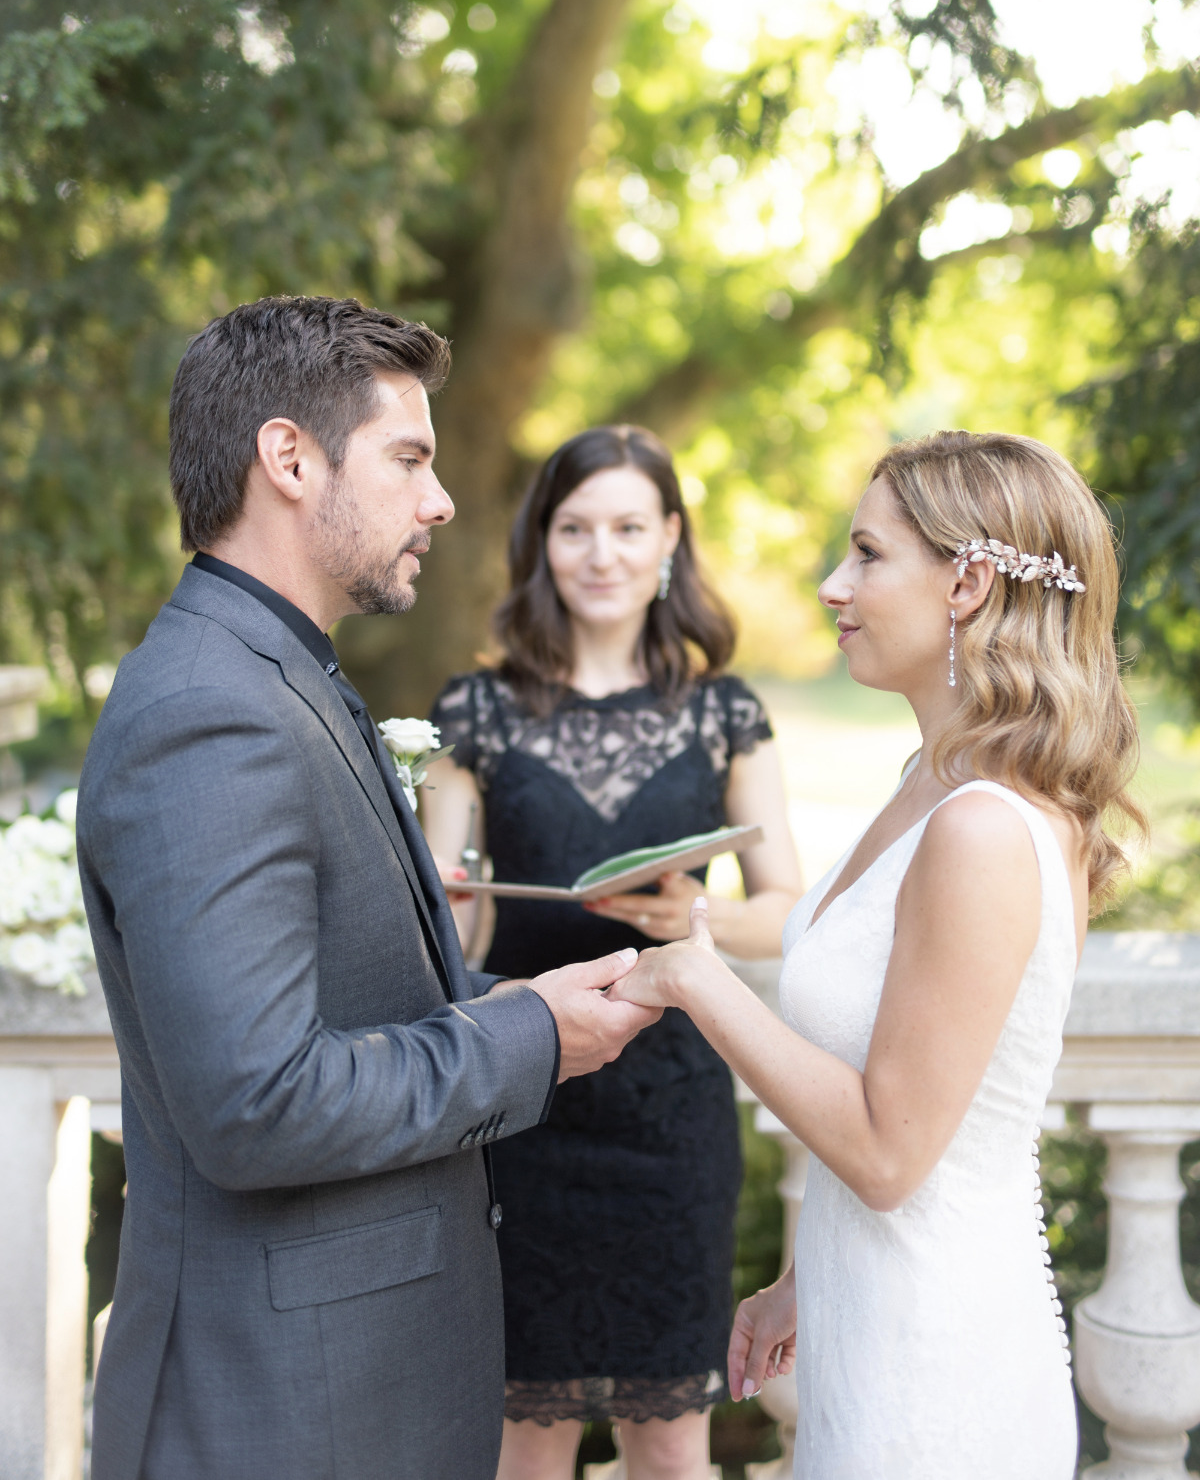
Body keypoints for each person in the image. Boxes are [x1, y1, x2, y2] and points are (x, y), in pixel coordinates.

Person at [76, 297, 660, 1480]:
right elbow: (259, 1100)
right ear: (288, 458)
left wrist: (535, 998)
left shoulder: (281, 672)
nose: (440, 502)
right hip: (281, 1412)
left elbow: (361, 1004)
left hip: (355, 1394)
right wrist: (529, 1039)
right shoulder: (211, 709)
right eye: (409, 459)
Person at [609, 429, 1145, 1480]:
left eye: (867, 553)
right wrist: (806, 1279)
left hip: (936, 1375)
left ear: (969, 583)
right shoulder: (927, 783)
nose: (830, 585)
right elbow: (928, 1094)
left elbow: (895, 1153)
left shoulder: (984, 827)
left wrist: (698, 978)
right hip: (874, 1329)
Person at [421, 424, 805, 1480]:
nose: (602, 553)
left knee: (673, 1439)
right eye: (576, 527)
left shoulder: (727, 711)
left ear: (669, 539)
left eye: (629, 527)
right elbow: (441, 926)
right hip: (521, 1102)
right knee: (525, 1437)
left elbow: (785, 907)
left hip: (672, 1118)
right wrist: (440, 895)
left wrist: (695, 920)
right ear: (542, 542)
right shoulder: (477, 710)